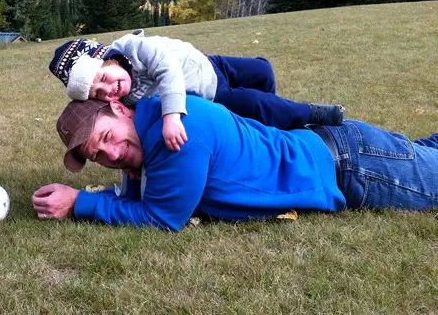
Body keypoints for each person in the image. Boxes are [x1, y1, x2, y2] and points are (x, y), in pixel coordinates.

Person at [32, 96, 437, 231]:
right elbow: (142, 187)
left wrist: (78, 202)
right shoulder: (154, 119)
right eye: (97, 156)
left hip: (351, 167)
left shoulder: (177, 135)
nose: (112, 155)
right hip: (339, 150)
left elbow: (162, 218)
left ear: (120, 107)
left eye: (107, 139)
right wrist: (134, 173)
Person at [48, 30, 345, 151]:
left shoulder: (133, 47)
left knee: (262, 71)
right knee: (257, 105)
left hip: (210, 66)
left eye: (103, 77)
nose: (108, 89)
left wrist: (171, 115)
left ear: (108, 58)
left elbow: (167, 68)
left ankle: (271, 119)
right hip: (213, 96)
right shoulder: (127, 99)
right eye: (98, 94)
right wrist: (172, 117)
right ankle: (308, 114)